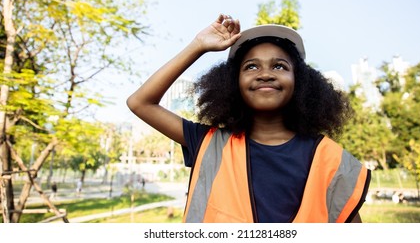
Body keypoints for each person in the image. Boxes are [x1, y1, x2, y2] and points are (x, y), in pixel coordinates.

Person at [127, 14, 371, 223]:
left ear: (300, 83)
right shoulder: (209, 143)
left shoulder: (332, 159)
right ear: (232, 84)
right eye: (251, 67)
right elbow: (140, 102)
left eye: (279, 67)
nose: (265, 74)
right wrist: (198, 45)